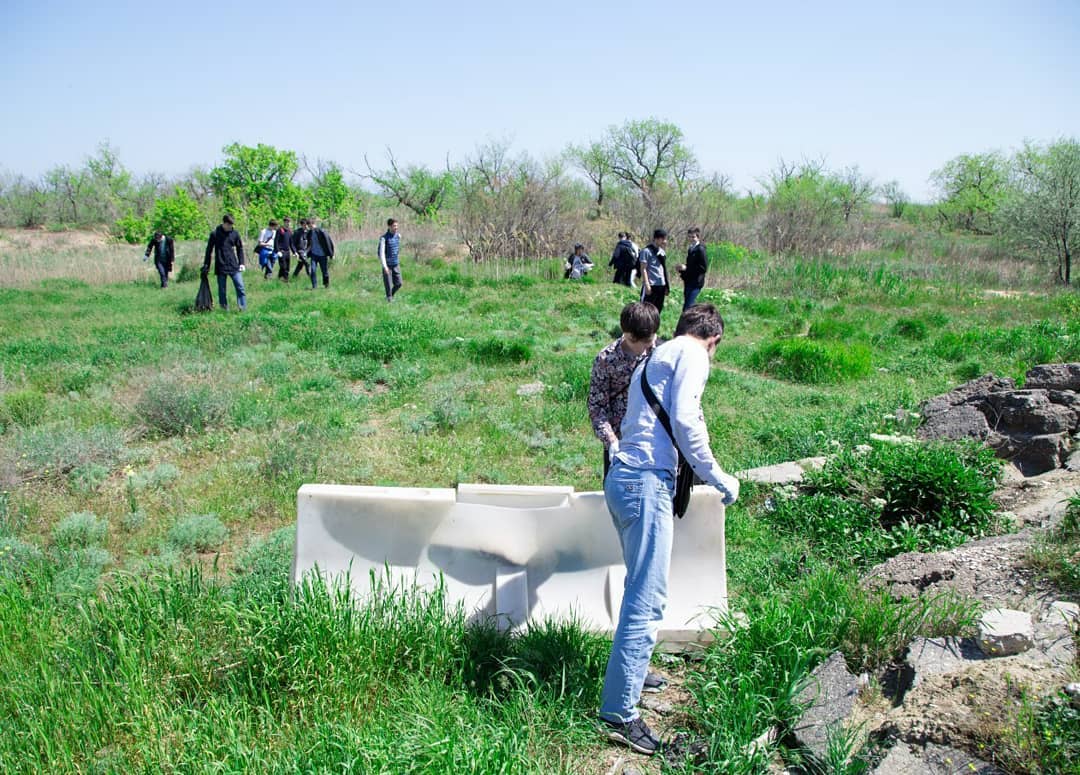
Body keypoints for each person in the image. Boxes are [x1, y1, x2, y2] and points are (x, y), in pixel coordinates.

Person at [598, 303, 740, 756]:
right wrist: (719, 476)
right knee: (648, 597)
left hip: (621, 478)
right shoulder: (693, 354)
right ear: (712, 338)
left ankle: (634, 674)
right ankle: (619, 714)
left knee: (640, 587)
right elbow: (686, 419)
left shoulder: (656, 357)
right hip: (645, 483)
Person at [588, 302, 659, 478]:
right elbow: (597, 407)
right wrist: (611, 440)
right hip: (620, 441)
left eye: (648, 341)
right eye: (636, 341)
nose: (643, 348)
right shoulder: (606, 359)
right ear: (625, 334)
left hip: (655, 441)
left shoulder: (661, 355)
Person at [202, 214, 247, 311]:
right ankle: (224, 309)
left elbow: (240, 248)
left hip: (233, 265)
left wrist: (242, 263)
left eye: (231, 225)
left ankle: (243, 308)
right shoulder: (215, 234)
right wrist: (206, 265)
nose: (230, 227)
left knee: (240, 287)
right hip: (220, 265)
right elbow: (208, 250)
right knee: (222, 290)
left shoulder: (235, 233)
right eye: (228, 225)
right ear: (224, 223)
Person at [638, 229, 669, 318]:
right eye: (662, 239)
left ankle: (652, 329)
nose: (665, 241)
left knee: (657, 310)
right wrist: (647, 284)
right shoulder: (646, 251)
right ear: (656, 239)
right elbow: (643, 269)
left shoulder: (662, 252)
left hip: (661, 285)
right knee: (645, 309)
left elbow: (663, 270)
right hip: (651, 284)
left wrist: (666, 285)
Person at [676, 227, 708, 310]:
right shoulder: (691, 248)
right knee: (688, 305)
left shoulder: (701, 249)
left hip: (696, 282)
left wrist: (686, 268)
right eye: (689, 237)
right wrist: (681, 268)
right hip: (689, 281)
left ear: (698, 237)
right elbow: (691, 265)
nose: (691, 239)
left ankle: (686, 322)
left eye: (693, 237)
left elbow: (703, 268)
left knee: (687, 307)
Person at [378, 218, 403, 301]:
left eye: (397, 226)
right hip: (387, 265)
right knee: (388, 286)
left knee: (399, 283)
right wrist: (385, 267)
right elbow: (381, 253)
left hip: (396, 264)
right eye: (394, 226)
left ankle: (390, 296)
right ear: (389, 226)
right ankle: (389, 299)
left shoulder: (398, 236)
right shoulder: (384, 239)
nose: (396, 227)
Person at [307, 218, 335, 288]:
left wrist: (331, 254)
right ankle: (314, 286)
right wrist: (306, 252)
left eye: (309, 225)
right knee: (312, 270)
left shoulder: (321, 231)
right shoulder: (310, 233)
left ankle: (326, 284)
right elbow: (309, 244)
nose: (309, 226)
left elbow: (328, 242)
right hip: (314, 255)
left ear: (313, 224)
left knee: (324, 271)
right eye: (308, 225)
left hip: (322, 255)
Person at [275, 217, 294, 281]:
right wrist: (278, 251)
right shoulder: (280, 230)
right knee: (283, 267)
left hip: (287, 252)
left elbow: (291, 243)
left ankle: (280, 278)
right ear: (284, 222)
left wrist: (295, 252)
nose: (288, 223)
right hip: (281, 251)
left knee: (287, 267)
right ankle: (286, 280)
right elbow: (276, 241)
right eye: (287, 222)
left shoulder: (290, 231)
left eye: (289, 222)